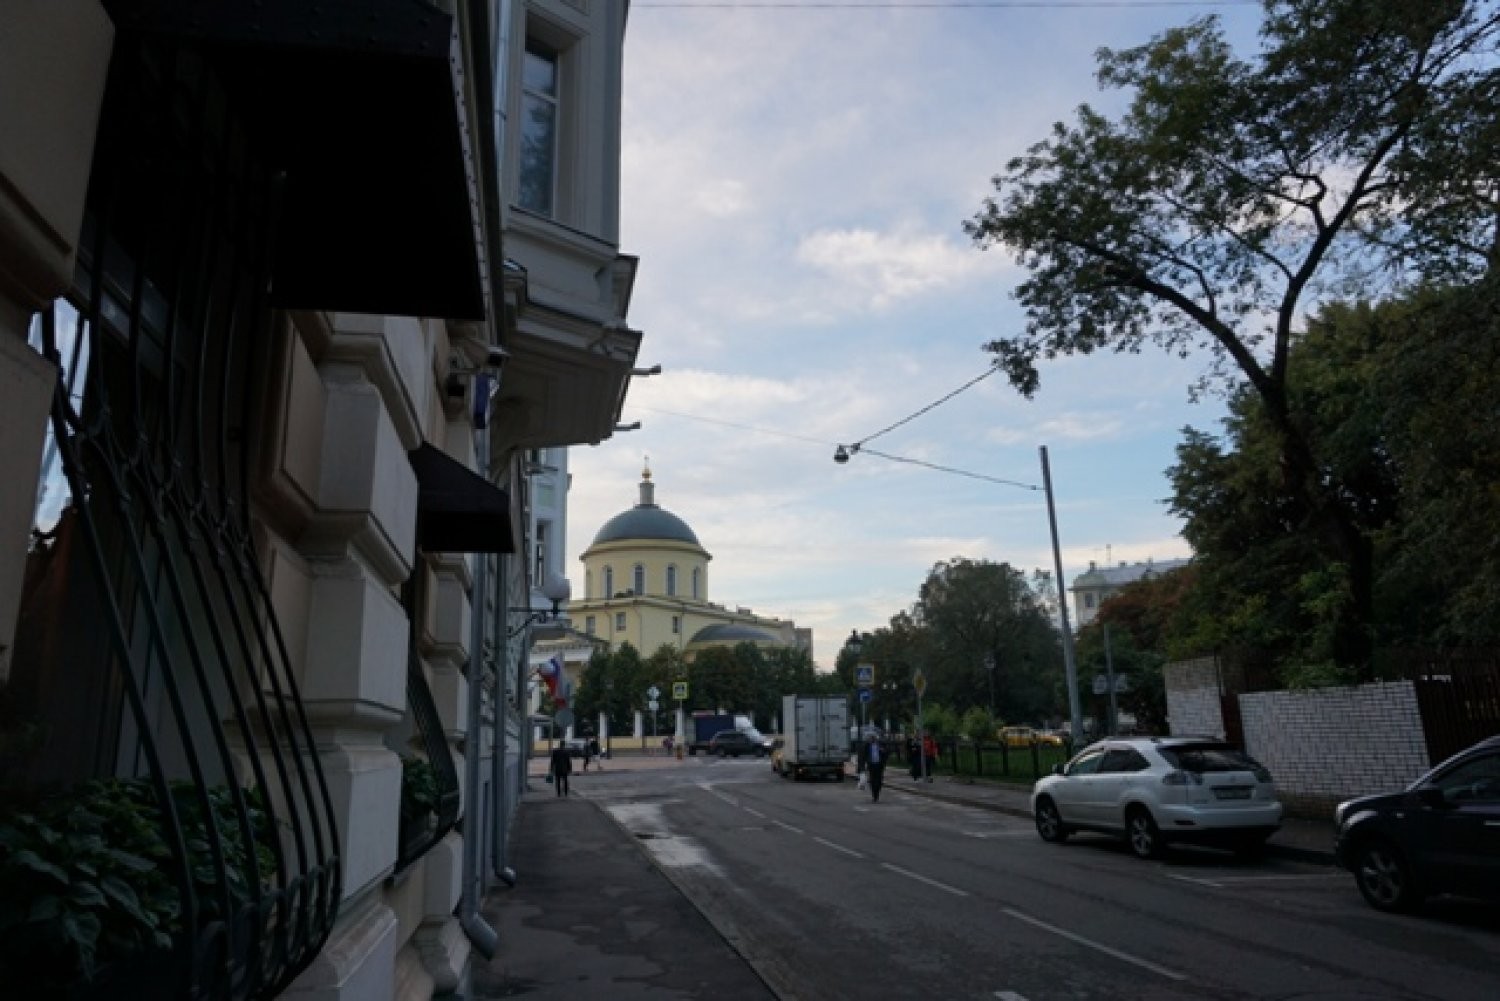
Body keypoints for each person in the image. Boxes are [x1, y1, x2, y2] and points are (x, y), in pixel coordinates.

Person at [858, 732, 887, 803]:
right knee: (872, 780)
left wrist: (883, 751)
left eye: (874, 737)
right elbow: (862, 756)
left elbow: (887, 753)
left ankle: (877, 792)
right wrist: (862, 767)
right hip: (871, 765)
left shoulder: (881, 745)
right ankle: (874, 795)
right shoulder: (867, 746)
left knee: (879, 780)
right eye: (871, 738)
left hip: (879, 765)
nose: (872, 739)